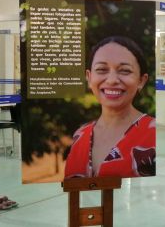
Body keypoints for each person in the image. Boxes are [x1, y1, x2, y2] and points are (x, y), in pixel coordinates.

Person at [64, 36, 155, 179]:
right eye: (101, 69)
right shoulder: (80, 135)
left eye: (125, 71)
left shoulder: (156, 134)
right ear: (89, 77)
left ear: (141, 81)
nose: (112, 80)